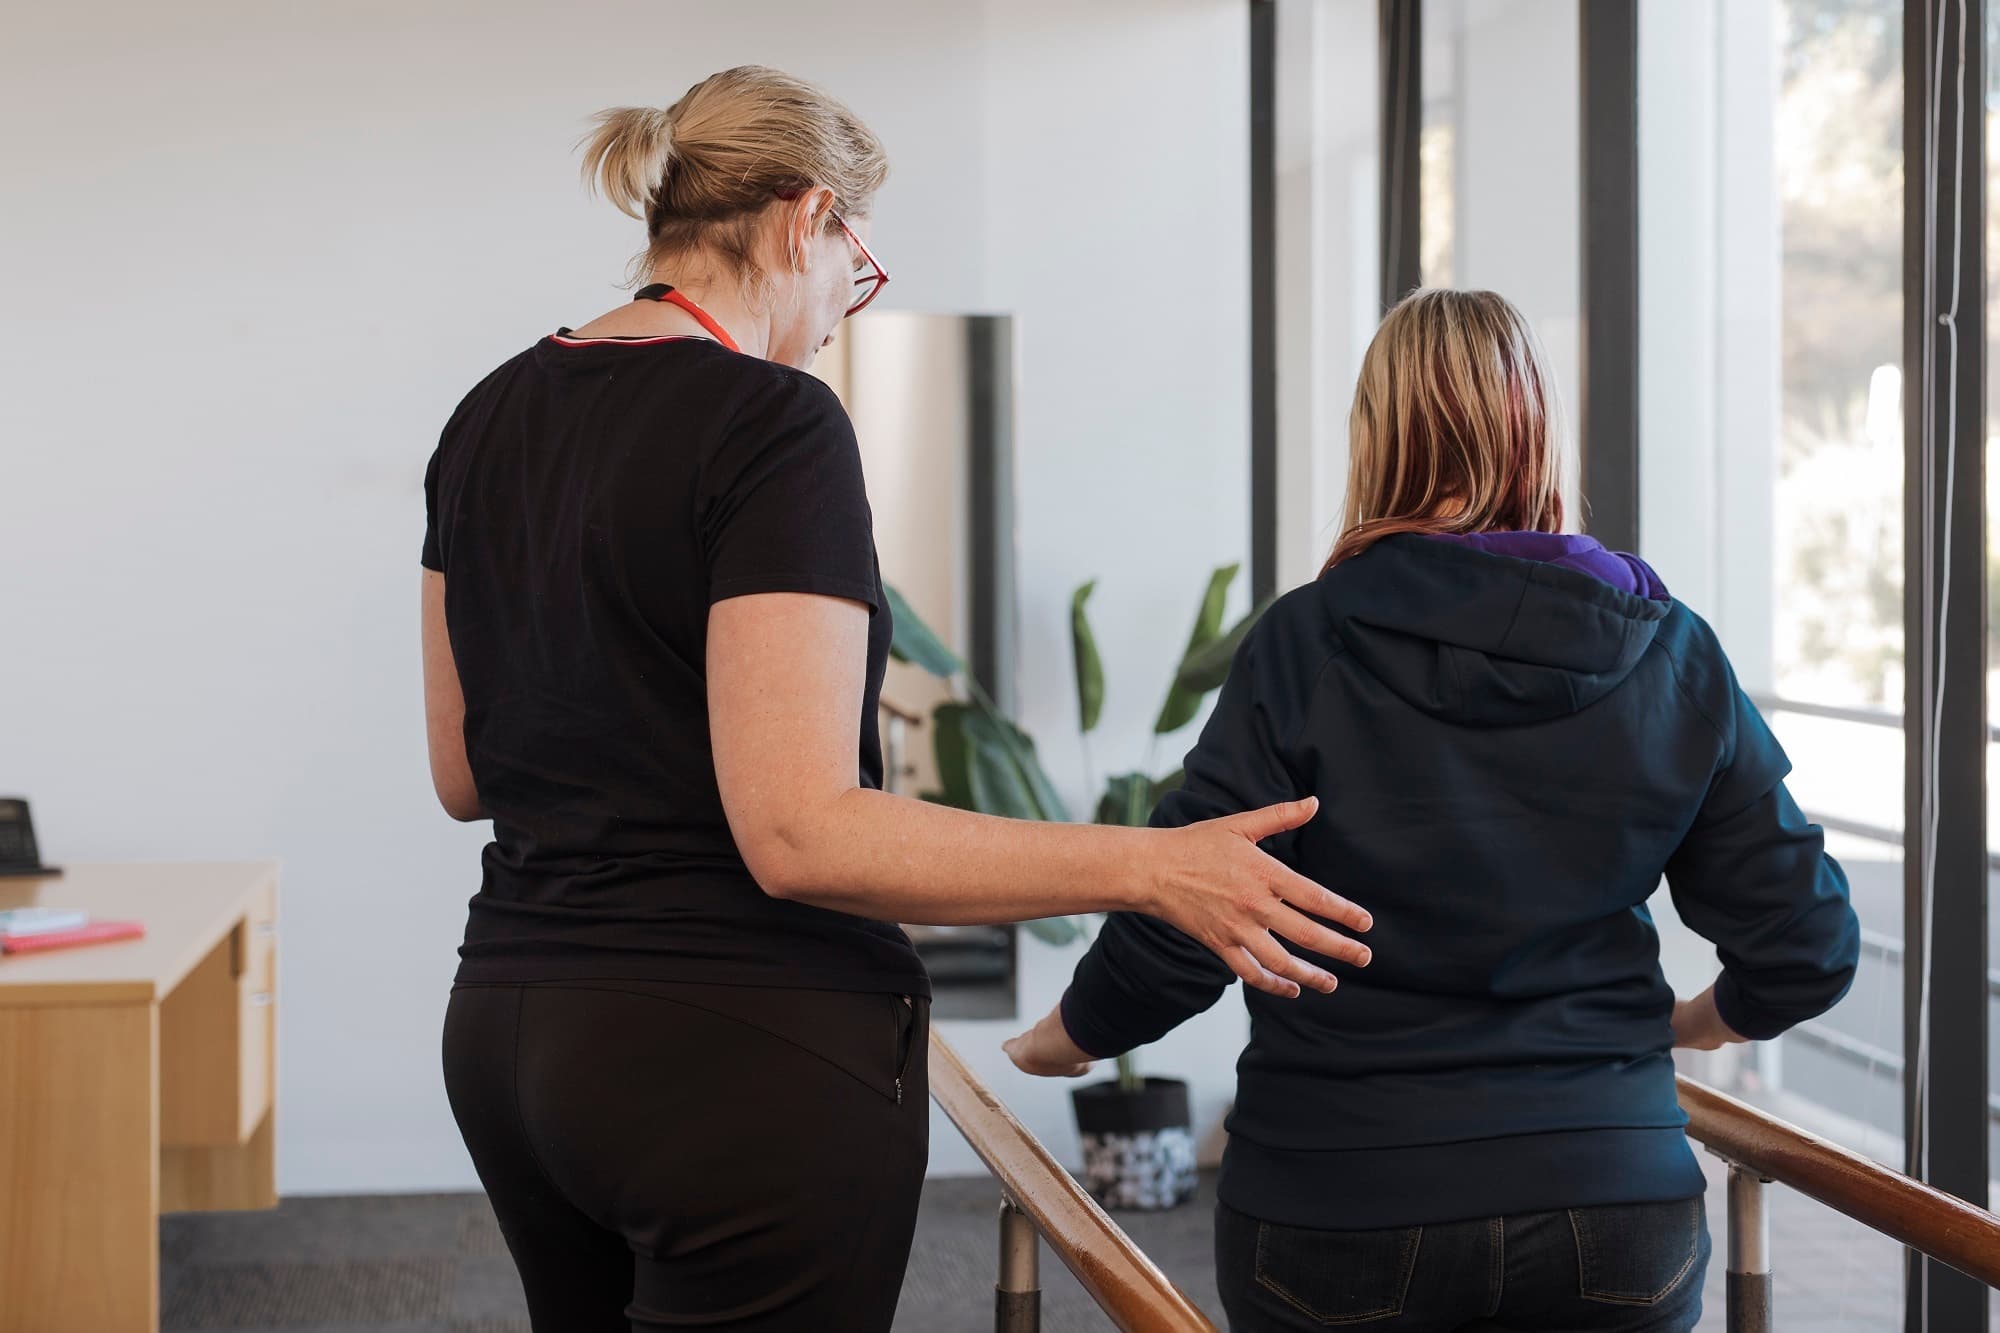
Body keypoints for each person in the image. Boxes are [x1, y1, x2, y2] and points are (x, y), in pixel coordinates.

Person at [420, 66, 1374, 1333]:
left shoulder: (486, 416)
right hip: (730, 1055)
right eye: (851, 266)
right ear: (801, 220)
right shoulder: (772, 426)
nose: (835, 316)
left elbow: (463, 771)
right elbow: (801, 830)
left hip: (511, 1036)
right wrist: (1150, 869)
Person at [1004, 288, 1860, 1333]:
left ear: (1378, 439)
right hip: (1610, 1192)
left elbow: (1199, 895)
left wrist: (1072, 1037)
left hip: (1342, 1199)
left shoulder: (1305, 642)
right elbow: (1805, 942)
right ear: (1535, 427)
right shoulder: (1667, 649)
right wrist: (1689, 1024)